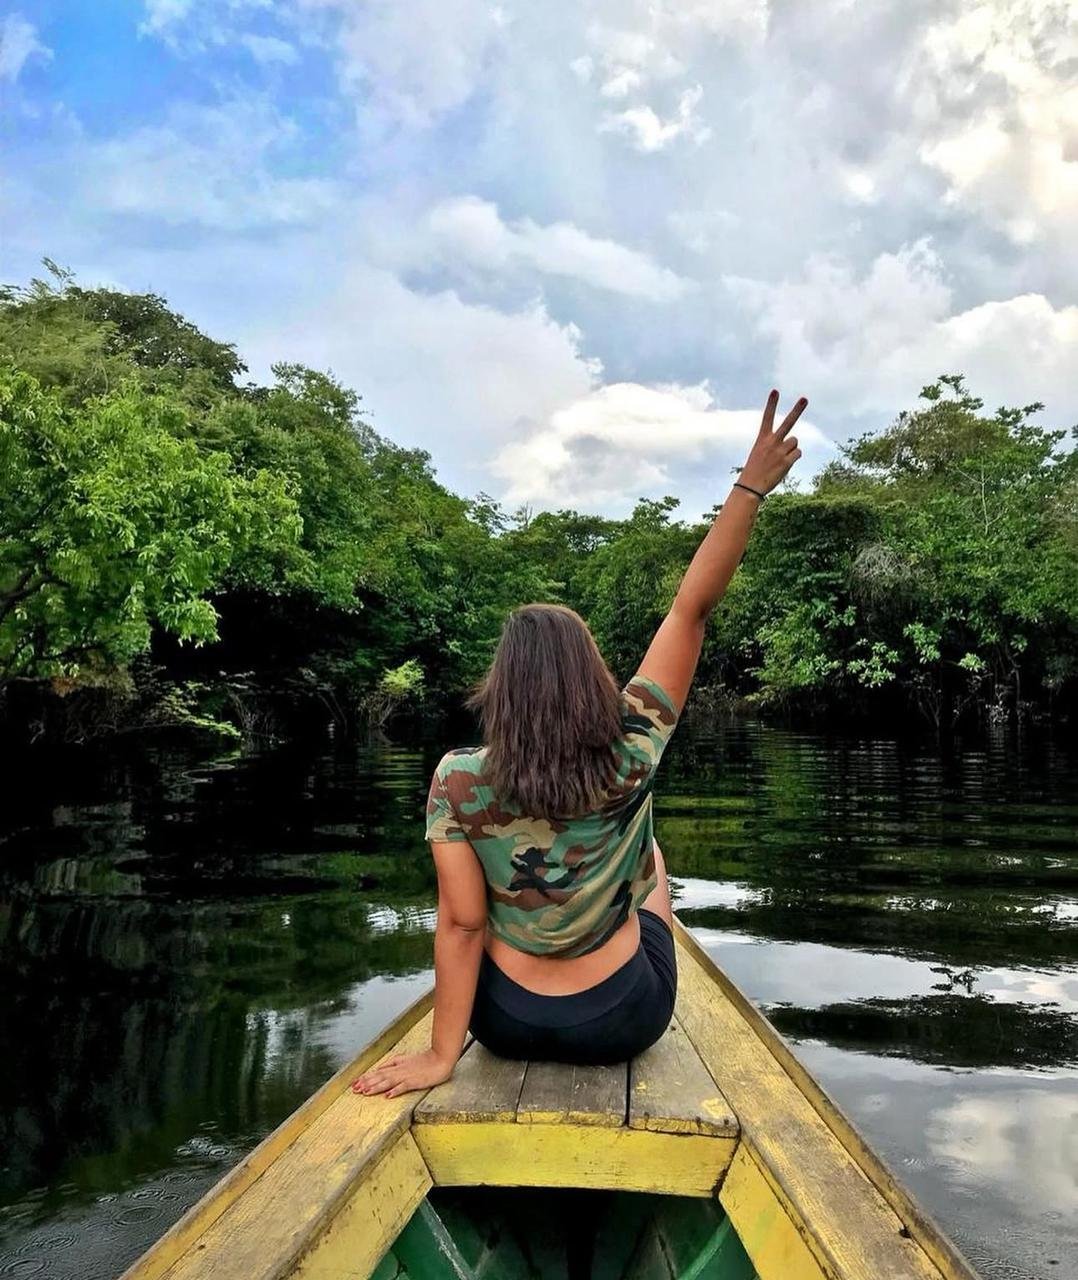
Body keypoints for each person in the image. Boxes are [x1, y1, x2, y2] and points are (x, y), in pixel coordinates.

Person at [353, 388, 806, 1097]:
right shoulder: (634, 745)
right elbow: (692, 608)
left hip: (503, 1020)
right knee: (648, 854)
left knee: (539, 885)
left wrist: (443, 1057)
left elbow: (463, 924)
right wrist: (749, 486)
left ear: (502, 688)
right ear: (590, 673)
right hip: (623, 1015)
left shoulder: (459, 778)